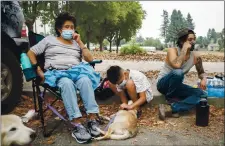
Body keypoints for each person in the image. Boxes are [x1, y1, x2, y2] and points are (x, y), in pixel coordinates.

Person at [27, 12, 101, 143]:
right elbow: (31, 52)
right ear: (59, 29)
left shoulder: (76, 43)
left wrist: (80, 42)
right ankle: (77, 125)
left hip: (77, 71)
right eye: (67, 26)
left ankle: (92, 120)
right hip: (58, 73)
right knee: (66, 83)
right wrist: (37, 68)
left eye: (72, 27)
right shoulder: (49, 40)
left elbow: (90, 59)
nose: (70, 29)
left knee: (85, 80)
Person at [156, 28, 207, 120]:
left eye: (194, 39)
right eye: (189, 40)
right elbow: (177, 65)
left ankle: (175, 107)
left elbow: (201, 72)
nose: (193, 42)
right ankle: (170, 98)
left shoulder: (196, 56)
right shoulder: (172, 51)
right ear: (182, 40)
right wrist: (184, 49)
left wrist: (204, 78)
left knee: (201, 94)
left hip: (176, 86)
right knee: (178, 72)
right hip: (163, 84)